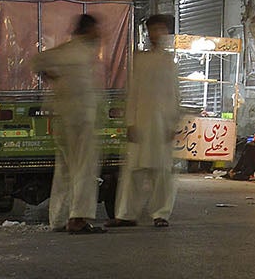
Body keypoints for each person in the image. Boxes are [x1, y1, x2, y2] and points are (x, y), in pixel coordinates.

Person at [33, 14, 106, 234]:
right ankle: (78, 218)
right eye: (96, 29)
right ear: (88, 30)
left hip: (62, 118)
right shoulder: (81, 51)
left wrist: (52, 78)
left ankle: (58, 218)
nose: (99, 34)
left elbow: (36, 61)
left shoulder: (65, 50)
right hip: (80, 119)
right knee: (84, 168)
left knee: (65, 169)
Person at [113, 14, 181, 227]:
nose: (157, 34)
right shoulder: (139, 59)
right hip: (141, 123)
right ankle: (125, 215)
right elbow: (132, 93)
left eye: (161, 30)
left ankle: (161, 214)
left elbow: (175, 94)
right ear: (147, 33)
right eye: (153, 30)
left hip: (162, 124)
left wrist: (173, 124)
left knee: (162, 173)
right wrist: (130, 122)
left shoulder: (169, 61)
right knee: (133, 171)